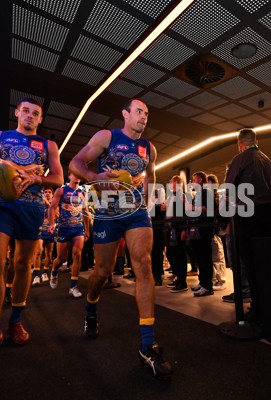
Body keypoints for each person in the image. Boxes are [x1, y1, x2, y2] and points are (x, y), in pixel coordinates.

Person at [69, 98, 173, 379]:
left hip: (136, 211)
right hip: (106, 212)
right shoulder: (107, 137)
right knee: (102, 272)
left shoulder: (148, 147)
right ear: (125, 114)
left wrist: (149, 201)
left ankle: (148, 344)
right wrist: (95, 176)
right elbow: (76, 162)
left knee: (143, 263)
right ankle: (91, 309)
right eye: (139, 111)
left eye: (147, 113)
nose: (144, 117)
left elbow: (151, 172)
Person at [0, 97, 63, 370]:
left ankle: (16, 321)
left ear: (40, 119)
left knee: (24, 265)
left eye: (36, 114)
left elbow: (58, 178)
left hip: (31, 208)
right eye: (26, 112)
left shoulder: (48, 145)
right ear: (17, 113)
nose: (31, 116)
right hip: (1, 205)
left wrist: (37, 179)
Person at [225, 129, 271, 326]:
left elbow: (229, 188)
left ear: (240, 143)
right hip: (266, 213)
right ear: (256, 141)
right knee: (265, 261)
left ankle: (257, 308)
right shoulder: (266, 160)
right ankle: (268, 303)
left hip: (247, 214)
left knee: (250, 262)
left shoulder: (241, 158)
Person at [47, 173, 89, 296]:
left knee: (77, 255)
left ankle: (73, 287)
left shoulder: (83, 192)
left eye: (78, 175)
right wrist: (51, 224)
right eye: (73, 175)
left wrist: (87, 229)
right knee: (61, 259)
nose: (76, 176)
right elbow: (52, 207)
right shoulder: (61, 190)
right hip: (64, 228)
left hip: (78, 229)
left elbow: (85, 211)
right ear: (69, 176)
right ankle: (54, 271)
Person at [188, 171, 215, 297]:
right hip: (197, 229)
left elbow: (206, 208)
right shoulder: (197, 194)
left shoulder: (206, 192)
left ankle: (207, 286)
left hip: (204, 229)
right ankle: (202, 281)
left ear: (199, 180)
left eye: (194, 180)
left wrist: (192, 208)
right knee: (199, 256)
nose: (192, 182)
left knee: (204, 257)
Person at [33, 187, 55, 285]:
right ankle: (36, 275)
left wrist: (48, 204)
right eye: (45, 192)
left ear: (52, 194)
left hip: (50, 231)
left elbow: (57, 215)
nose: (47, 194)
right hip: (40, 231)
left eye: (49, 192)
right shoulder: (39, 203)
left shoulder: (54, 205)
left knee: (48, 253)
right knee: (37, 252)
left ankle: (45, 273)